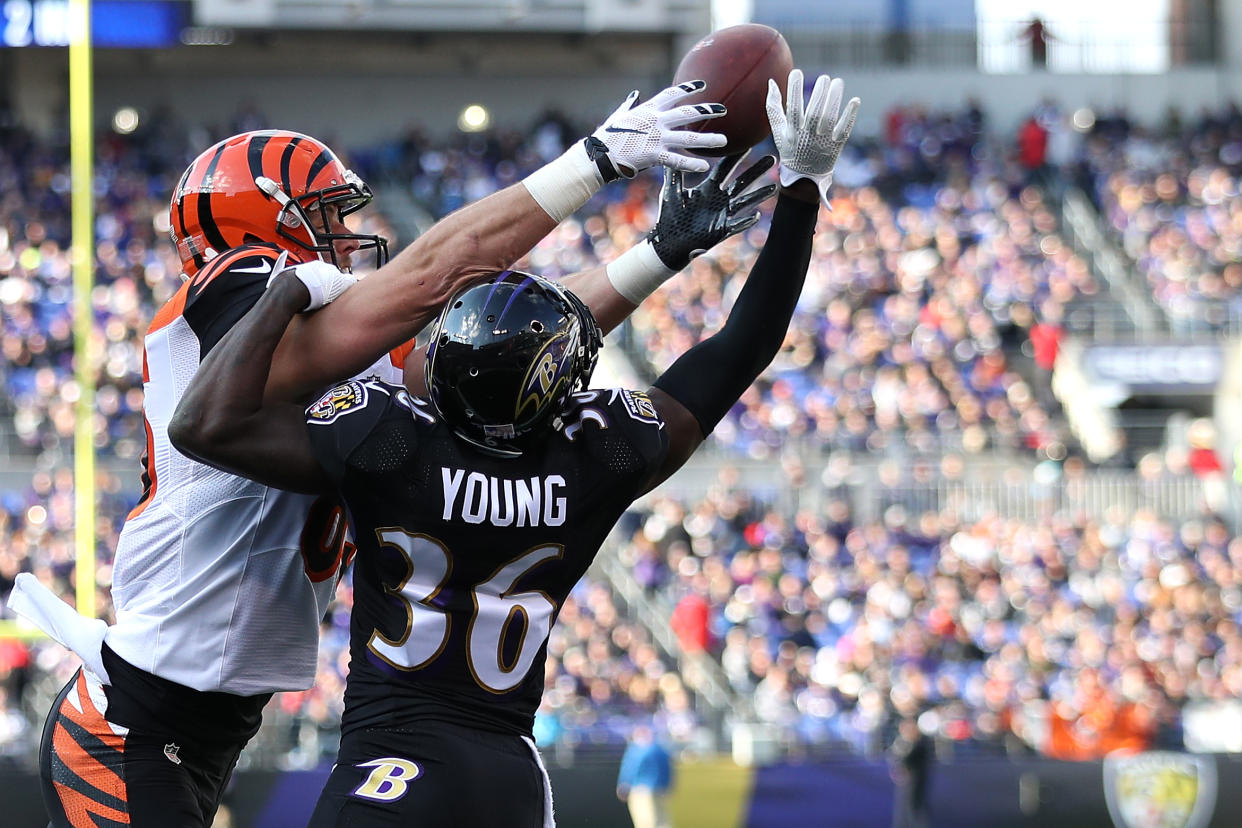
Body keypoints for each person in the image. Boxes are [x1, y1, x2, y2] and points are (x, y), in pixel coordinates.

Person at [9, 81, 731, 828]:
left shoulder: (323, 336)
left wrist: (658, 253)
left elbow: (507, 350)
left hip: (200, 727)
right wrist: (597, 160)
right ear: (261, 231)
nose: (346, 237)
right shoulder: (227, 298)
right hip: (131, 723)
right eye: (323, 217)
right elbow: (427, 278)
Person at [169, 68, 859, 827]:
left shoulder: (386, 442)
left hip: (389, 769)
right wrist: (800, 194)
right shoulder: (597, 455)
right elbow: (743, 345)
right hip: (510, 777)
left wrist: (288, 291)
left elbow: (205, 423)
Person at [617, 724, 674, 828]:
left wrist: (624, 785)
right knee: (662, 819)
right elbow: (669, 770)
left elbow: (631, 768)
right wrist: (667, 786)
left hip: (641, 789)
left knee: (645, 820)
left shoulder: (636, 750)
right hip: (660, 789)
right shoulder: (660, 750)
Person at [889, 718, 933, 828]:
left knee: (915, 808)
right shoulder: (902, 742)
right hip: (905, 784)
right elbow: (896, 759)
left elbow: (909, 759)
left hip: (916, 782)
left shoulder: (921, 744)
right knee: (903, 807)